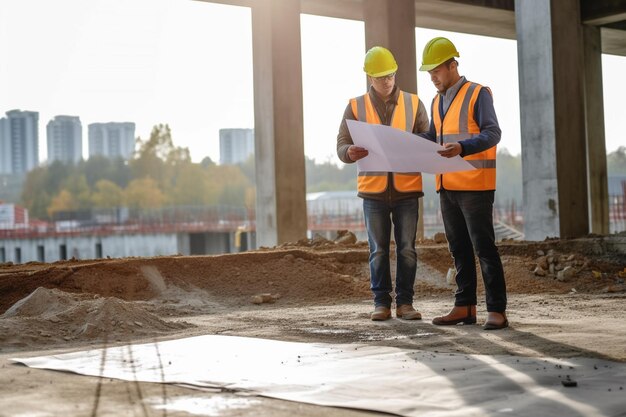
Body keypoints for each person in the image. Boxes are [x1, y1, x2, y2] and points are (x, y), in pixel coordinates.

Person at [418, 37, 508, 330]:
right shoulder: (436, 101)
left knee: (483, 247)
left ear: (453, 65)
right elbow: (434, 138)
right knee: (458, 249)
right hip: (446, 186)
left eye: (436, 70)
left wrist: (463, 147)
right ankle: (464, 306)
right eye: (429, 72)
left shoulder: (477, 93)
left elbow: (493, 133)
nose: (432, 77)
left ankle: (496, 309)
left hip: (474, 184)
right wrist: (401, 142)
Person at [337, 46, 429, 321]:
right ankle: (381, 303)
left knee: (407, 248)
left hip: (407, 189)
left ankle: (405, 304)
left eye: (389, 75)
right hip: (373, 192)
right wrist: (348, 153)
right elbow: (342, 143)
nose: (386, 81)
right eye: (380, 77)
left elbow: (428, 137)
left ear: (395, 72)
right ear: (369, 78)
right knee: (377, 250)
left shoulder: (414, 103)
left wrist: (413, 144)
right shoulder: (355, 106)